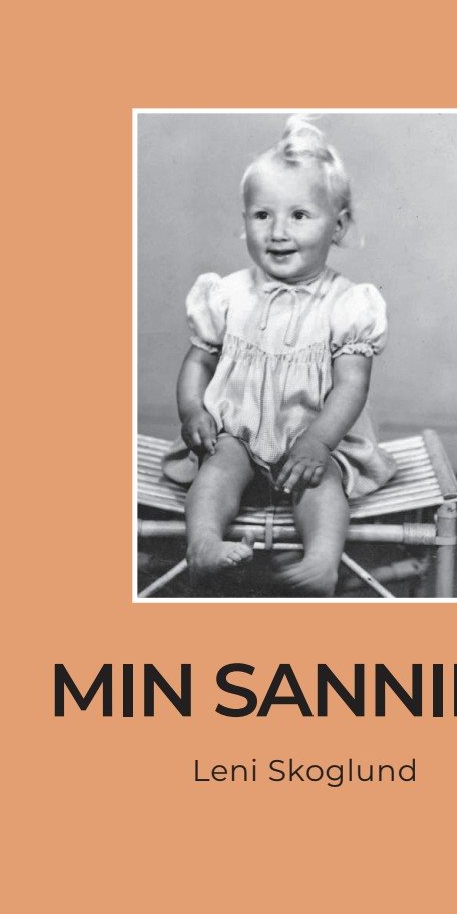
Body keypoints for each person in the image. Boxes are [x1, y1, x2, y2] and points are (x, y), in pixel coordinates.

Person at [162, 116, 396, 596]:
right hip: (237, 436)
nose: (278, 232)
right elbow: (199, 361)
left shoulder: (347, 304)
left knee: (321, 484)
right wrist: (193, 411)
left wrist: (319, 441)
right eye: (262, 215)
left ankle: (321, 562)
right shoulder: (226, 294)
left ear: (337, 225)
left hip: (312, 444)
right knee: (218, 469)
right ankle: (203, 544)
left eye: (299, 215)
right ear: (244, 221)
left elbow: (352, 385)